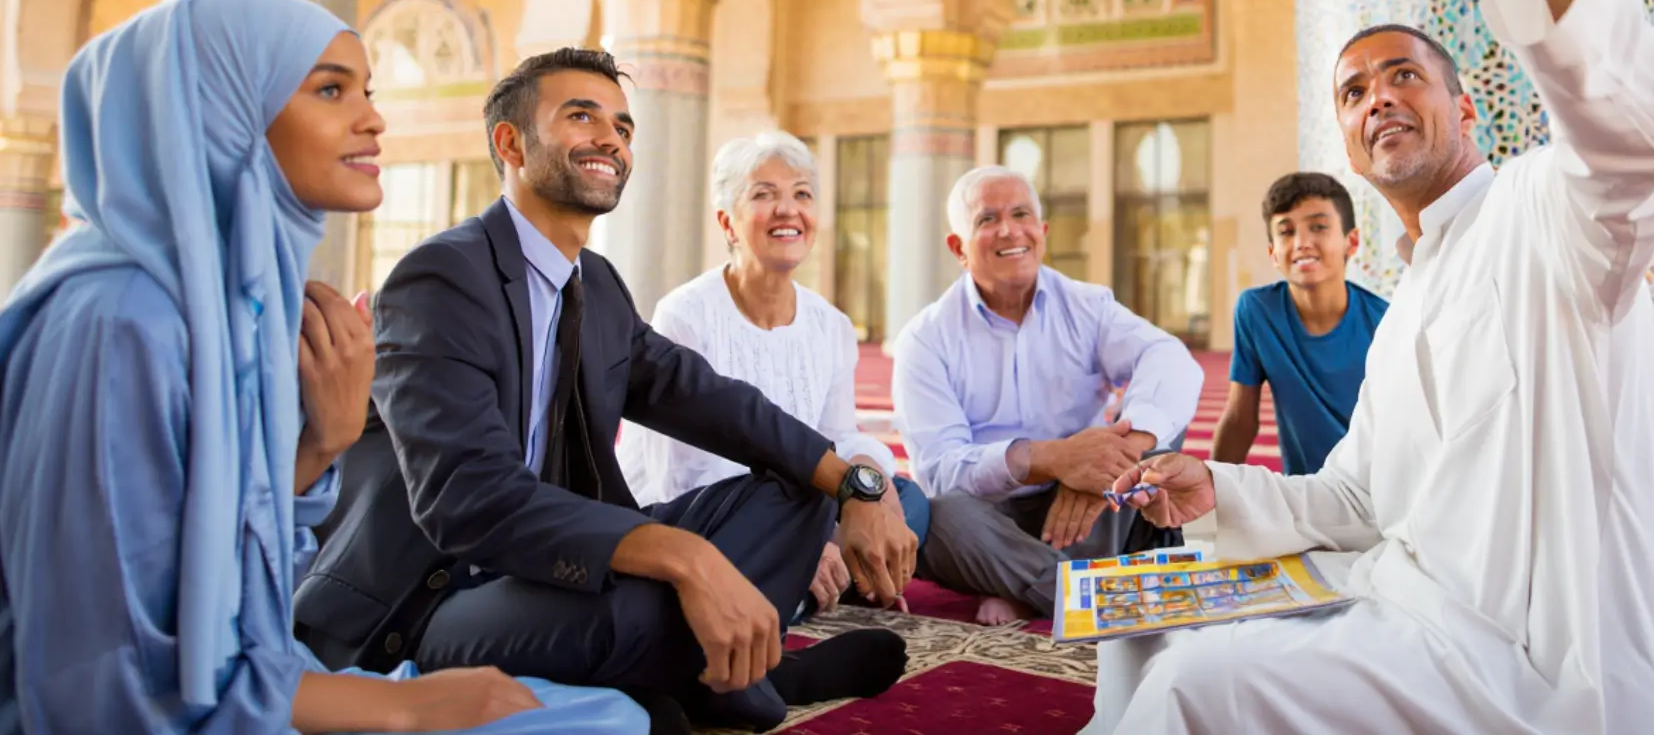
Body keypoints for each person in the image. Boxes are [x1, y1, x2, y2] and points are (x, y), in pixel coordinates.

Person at [1087, 0, 1654, 734]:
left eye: (1401, 75)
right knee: (1148, 613)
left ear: (1462, 107)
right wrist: (1213, 491)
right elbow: (1358, 500)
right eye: (1352, 91)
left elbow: (1643, 150)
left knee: (1201, 686)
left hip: (1521, 662)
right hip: (1395, 592)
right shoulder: (1407, 298)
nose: (1376, 99)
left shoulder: (1553, 210)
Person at [0, 0, 649, 733]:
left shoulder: (227, 302)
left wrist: (319, 442)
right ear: (221, 109)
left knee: (611, 716)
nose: (372, 118)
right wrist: (396, 705)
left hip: (251, 676)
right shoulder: (117, 321)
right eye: (330, 90)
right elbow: (92, 680)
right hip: (167, 707)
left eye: (366, 91)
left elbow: (215, 570)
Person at [293, 49, 915, 735]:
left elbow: (712, 399)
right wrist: (689, 558)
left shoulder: (597, 284)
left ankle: (700, 680)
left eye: (622, 127)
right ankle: (745, 681)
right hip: (437, 596)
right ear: (511, 144)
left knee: (798, 488)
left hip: (552, 569)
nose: (610, 140)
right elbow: (468, 502)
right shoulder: (442, 278)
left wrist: (854, 485)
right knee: (646, 607)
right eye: (580, 117)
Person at [615, 131, 931, 620]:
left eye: (802, 194)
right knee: (807, 506)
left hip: (802, 499)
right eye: (764, 194)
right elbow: (686, 474)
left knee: (904, 499)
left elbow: (841, 436)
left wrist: (876, 491)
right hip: (702, 514)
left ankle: (803, 581)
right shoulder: (685, 315)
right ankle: (805, 580)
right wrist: (804, 540)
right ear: (728, 222)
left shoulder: (832, 325)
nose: (789, 210)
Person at [893, 166, 1204, 626]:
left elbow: (1170, 360)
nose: (1009, 230)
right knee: (936, 518)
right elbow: (941, 469)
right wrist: (1052, 458)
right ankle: (1092, 591)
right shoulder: (926, 338)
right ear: (958, 247)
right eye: (987, 220)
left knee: (1157, 437)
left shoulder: (1087, 306)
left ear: (1042, 232)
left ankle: (1028, 589)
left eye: (1021, 215)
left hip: (1092, 508)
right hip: (990, 522)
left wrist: (1113, 460)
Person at [1211, 172, 1387, 473]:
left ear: (1351, 242)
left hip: (1378, 492)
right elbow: (1241, 419)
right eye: (1286, 232)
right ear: (1273, 254)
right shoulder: (1256, 311)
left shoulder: (1385, 323)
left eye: (1318, 227)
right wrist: (1210, 494)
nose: (1302, 243)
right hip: (1305, 496)